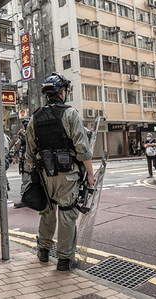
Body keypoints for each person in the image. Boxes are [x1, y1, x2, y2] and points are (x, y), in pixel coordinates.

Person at [25, 72, 94, 271]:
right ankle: (64, 260)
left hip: (44, 174)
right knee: (66, 213)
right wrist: (90, 175)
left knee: (47, 211)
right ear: (62, 92)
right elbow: (83, 149)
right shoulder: (70, 114)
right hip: (67, 173)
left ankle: (44, 251)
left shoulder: (34, 118)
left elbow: (29, 152)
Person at [14, 117, 31, 209]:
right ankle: (24, 199)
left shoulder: (35, 133)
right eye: (24, 122)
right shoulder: (23, 136)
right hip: (26, 160)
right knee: (26, 179)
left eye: (27, 122)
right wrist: (21, 140)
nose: (26, 124)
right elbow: (17, 147)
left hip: (35, 160)